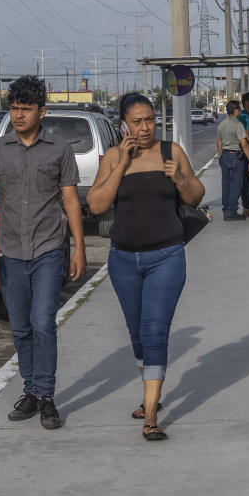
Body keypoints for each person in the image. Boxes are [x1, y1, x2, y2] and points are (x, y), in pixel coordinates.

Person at [87, 93, 204, 441]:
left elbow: (195, 195)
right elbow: (96, 204)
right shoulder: (113, 157)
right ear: (123, 124)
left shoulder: (171, 152)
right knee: (138, 333)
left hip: (167, 256)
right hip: (123, 260)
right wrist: (121, 164)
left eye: (150, 119)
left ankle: (151, 415)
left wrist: (180, 179)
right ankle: (148, 396)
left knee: (155, 331)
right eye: (137, 121)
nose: (145, 127)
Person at [0, 75, 87, 430]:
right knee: (21, 328)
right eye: (14, 108)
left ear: (42, 111)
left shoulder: (59, 150)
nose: (19, 115)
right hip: (10, 250)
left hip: (48, 250)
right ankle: (31, 392)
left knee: (43, 323)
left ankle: (48, 396)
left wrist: (79, 248)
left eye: (26, 109)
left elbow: (70, 200)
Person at [216, 100, 249, 221]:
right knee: (235, 185)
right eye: (239, 109)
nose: (240, 111)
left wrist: (222, 155)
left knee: (225, 185)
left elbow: (219, 142)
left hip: (225, 155)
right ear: (236, 110)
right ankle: (232, 212)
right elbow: (244, 144)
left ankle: (226, 210)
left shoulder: (221, 124)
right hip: (235, 156)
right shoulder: (238, 125)